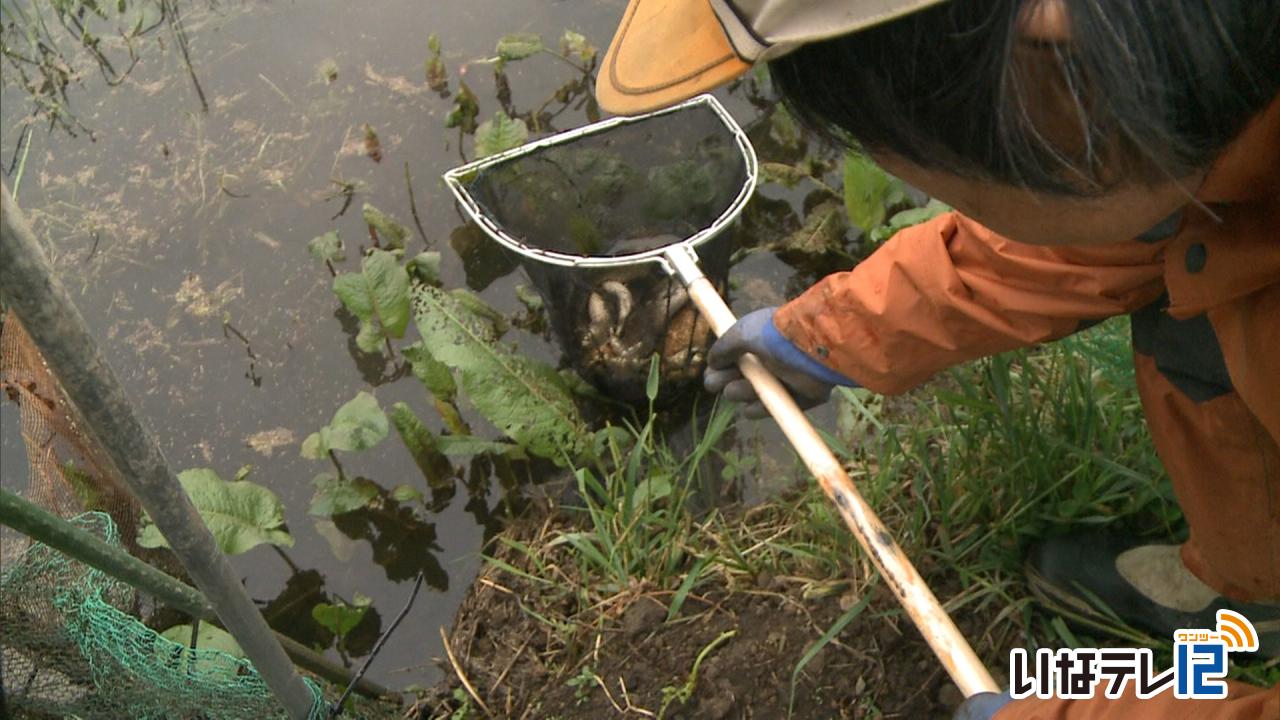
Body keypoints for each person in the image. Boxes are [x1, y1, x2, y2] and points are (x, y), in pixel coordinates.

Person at [596, 1, 1279, 718]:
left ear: (1070, 75)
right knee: (1197, 283)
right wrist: (837, 333)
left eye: (945, 179)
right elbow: (1115, 225)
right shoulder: (1198, 127)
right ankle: (1254, 583)